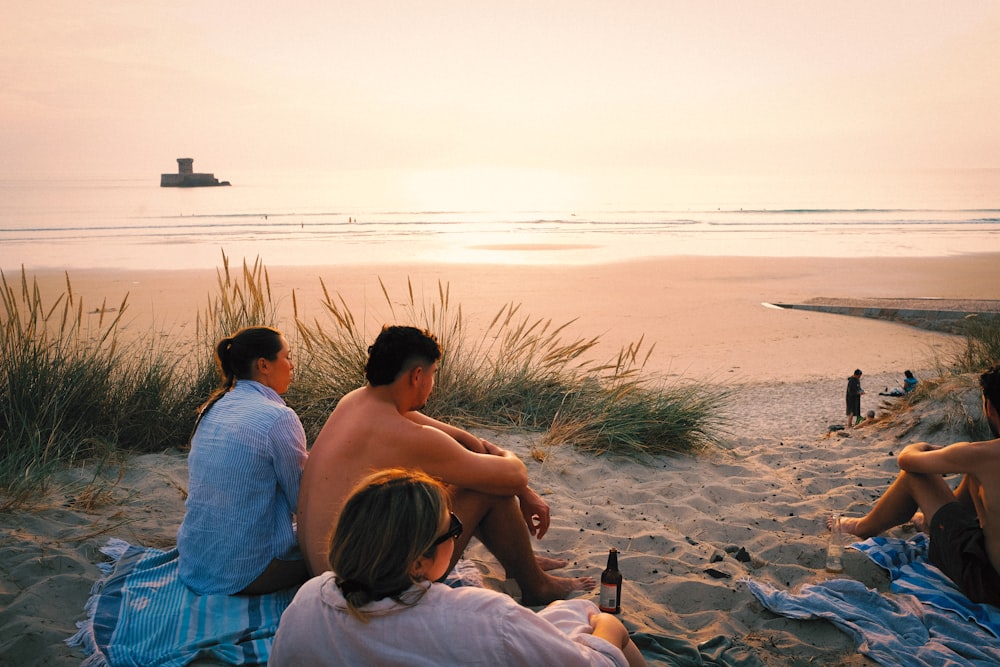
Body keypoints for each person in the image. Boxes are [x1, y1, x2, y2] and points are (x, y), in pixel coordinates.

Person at [297, 325, 593, 606]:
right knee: (485, 488)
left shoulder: (357, 402)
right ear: (416, 376)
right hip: (366, 587)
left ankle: (519, 563)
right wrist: (505, 458)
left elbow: (464, 441)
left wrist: (523, 491)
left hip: (330, 569)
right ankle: (536, 586)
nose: (433, 383)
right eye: (433, 373)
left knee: (477, 475)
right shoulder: (402, 435)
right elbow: (512, 474)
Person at [271, 469, 648, 667]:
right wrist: (609, 629)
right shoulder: (483, 617)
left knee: (565, 615)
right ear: (418, 562)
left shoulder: (308, 601)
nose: (459, 533)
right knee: (585, 614)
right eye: (452, 528)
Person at [834, 365, 1000, 606]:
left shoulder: (982, 454)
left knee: (914, 477)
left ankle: (861, 527)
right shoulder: (979, 458)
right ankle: (931, 520)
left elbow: (907, 460)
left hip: (988, 583)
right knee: (975, 476)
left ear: (989, 408)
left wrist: (931, 448)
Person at [177, 326, 309, 595]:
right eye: (287, 357)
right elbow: (302, 503)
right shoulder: (278, 418)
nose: (292, 365)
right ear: (264, 365)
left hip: (194, 564)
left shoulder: (213, 407)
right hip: (242, 574)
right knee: (346, 553)